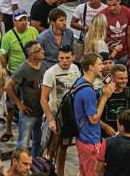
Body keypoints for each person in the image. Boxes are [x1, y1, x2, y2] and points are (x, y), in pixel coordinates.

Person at [40, 46, 80, 174]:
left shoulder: (76, 69)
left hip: (69, 115)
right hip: (55, 114)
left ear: (73, 57)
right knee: (49, 147)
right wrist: (51, 119)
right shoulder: (50, 73)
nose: (64, 61)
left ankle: (60, 173)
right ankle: (44, 171)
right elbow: (43, 99)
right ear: (57, 58)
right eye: (61, 58)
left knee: (64, 146)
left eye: (67, 58)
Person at [74, 53, 115, 176]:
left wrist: (103, 91)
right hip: (90, 139)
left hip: (81, 137)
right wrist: (105, 97)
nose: (102, 67)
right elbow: (93, 119)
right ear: (91, 67)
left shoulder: (80, 82)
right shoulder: (88, 91)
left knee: (83, 172)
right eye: (100, 64)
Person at [5, 40, 45, 157]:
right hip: (28, 112)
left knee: (38, 140)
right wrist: (19, 104)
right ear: (31, 55)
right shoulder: (23, 69)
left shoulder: (44, 65)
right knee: (23, 144)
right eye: (39, 50)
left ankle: (34, 164)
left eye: (41, 48)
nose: (43, 51)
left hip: (41, 111)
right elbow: (7, 87)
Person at [100, 64, 130, 138]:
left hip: (124, 134)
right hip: (105, 135)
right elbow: (94, 115)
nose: (124, 81)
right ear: (112, 78)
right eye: (121, 78)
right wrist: (105, 127)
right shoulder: (103, 93)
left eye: (126, 78)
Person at [101, 0, 130, 64]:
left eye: (114, 4)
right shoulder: (102, 15)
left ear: (119, 1)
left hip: (124, 55)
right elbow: (100, 38)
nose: (112, 8)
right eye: (109, 5)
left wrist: (129, 55)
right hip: (109, 56)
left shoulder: (128, 12)